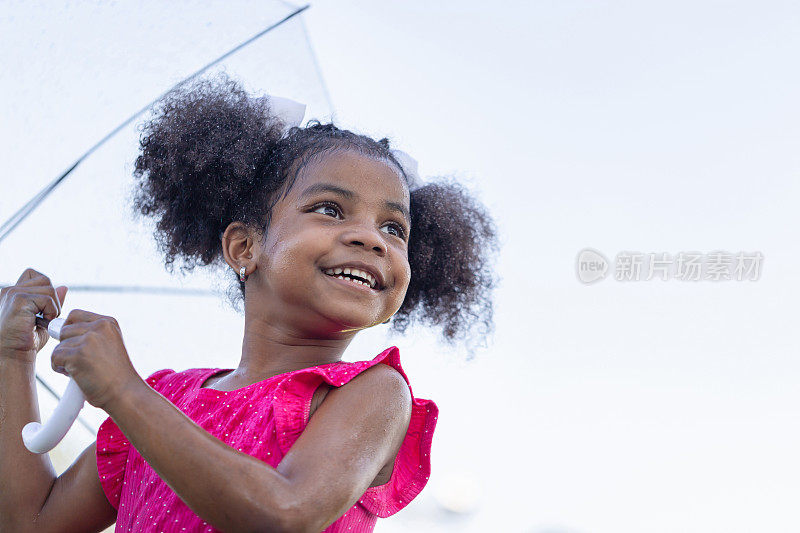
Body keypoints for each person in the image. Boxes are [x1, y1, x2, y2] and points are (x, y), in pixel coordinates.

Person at [0, 73, 498, 532]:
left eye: (394, 228)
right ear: (245, 247)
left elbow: (284, 514)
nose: (372, 239)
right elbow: (30, 520)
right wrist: (12, 355)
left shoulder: (375, 394)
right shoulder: (166, 401)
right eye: (329, 209)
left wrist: (124, 392)